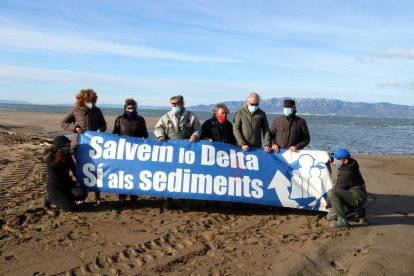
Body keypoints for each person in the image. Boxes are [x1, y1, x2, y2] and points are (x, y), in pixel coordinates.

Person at [154, 95, 201, 210]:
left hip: (186, 154)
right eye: (172, 104)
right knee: (169, 176)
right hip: (170, 153)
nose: (174, 106)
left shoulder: (191, 116)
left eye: (176, 104)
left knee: (183, 177)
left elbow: (198, 129)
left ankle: (182, 200)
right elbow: (158, 128)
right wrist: (160, 135)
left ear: (182, 104)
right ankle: (168, 200)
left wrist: (195, 135)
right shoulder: (166, 116)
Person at [60, 88, 107, 204]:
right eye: (89, 101)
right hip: (79, 145)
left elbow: (103, 124)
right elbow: (63, 123)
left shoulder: (97, 111)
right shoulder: (75, 110)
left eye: (93, 101)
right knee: (81, 170)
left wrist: (101, 129)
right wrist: (75, 128)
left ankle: (97, 195)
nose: (91, 103)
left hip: (95, 146)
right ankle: (81, 196)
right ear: (82, 100)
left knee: (96, 169)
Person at [113, 98, 148, 205]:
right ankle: (122, 197)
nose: (131, 109)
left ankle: (134, 196)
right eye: (129, 108)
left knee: (134, 174)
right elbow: (115, 134)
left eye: (132, 108)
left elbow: (145, 135)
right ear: (125, 108)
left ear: (135, 108)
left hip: (136, 152)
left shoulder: (140, 120)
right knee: (122, 174)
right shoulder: (119, 119)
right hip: (123, 152)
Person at [326, 148, 368, 228]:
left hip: (357, 197)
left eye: (338, 159)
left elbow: (337, 189)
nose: (335, 160)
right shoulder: (349, 166)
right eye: (335, 158)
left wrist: (328, 202)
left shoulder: (347, 173)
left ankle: (342, 221)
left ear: (345, 161)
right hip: (355, 195)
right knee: (330, 216)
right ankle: (357, 213)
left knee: (332, 192)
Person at [44, 136, 88, 212]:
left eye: (68, 146)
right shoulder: (50, 158)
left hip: (67, 184)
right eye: (66, 146)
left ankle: (64, 198)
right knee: (70, 208)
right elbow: (56, 177)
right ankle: (49, 198)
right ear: (59, 146)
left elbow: (75, 170)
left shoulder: (67, 156)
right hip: (55, 186)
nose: (68, 147)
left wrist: (81, 182)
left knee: (82, 193)